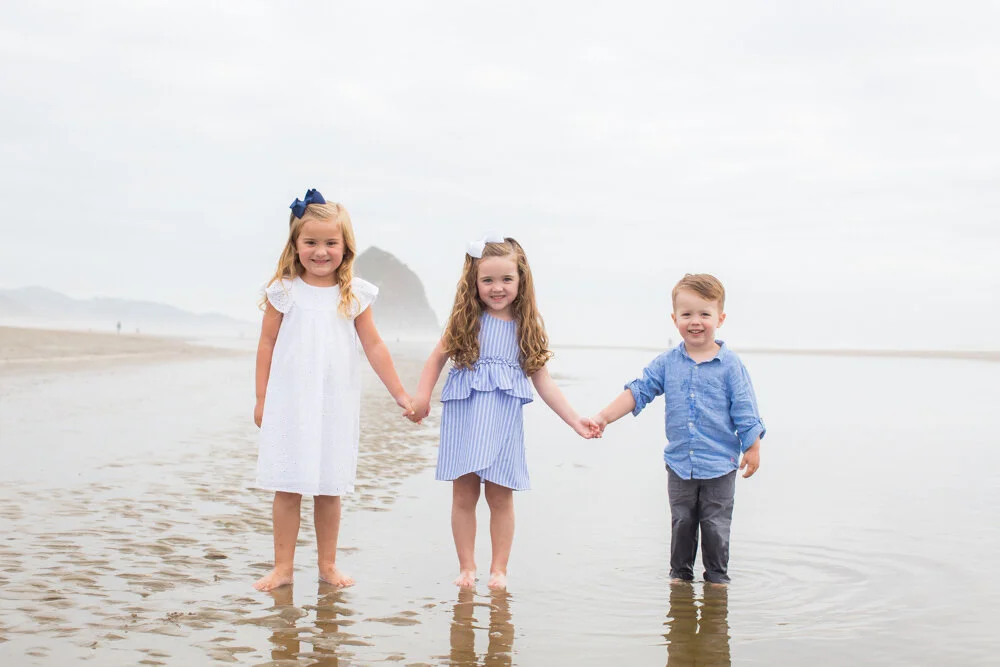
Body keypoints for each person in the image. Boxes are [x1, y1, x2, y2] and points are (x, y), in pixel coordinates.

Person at [409, 235, 600, 590]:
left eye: (506, 279)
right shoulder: (467, 322)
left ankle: (499, 570)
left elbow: (543, 380)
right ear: (474, 282)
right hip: (464, 416)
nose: (497, 288)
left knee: (500, 497)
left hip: (503, 421)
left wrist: (575, 420)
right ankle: (467, 568)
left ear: (521, 280)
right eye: (488, 280)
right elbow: (436, 359)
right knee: (464, 495)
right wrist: (422, 398)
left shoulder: (525, 328)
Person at [253, 188, 413, 592]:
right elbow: (267, 344)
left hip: (334, 406)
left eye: (330, 242)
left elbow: (374, 345)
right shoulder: (284, 291)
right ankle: (283, 568)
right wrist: (261, 398)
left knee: (329, 487)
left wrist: (400, 393)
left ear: (345, 246)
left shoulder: (354, 293)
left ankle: (327, 565)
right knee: (287, 485)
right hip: (290, 402)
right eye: (310, 242)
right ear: (295, 244)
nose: (320, 251)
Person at [593, 273, 765, 585]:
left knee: (715, 526)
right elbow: (639, 390)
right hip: (680, 464)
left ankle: (717, 580)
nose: (695, 321)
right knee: (682, 522)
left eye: (704, 314)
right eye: (687, 314)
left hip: (719, 465)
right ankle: (679, 580)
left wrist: (753, 447)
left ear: (720, 318)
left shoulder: (731, 366)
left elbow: (745, 408)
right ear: (675, 319)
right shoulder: (667, 363)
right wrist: (604, 416)